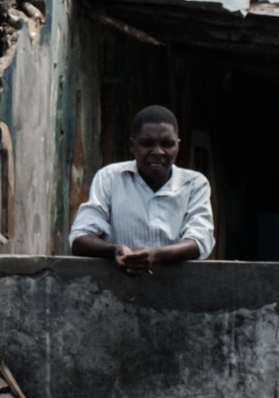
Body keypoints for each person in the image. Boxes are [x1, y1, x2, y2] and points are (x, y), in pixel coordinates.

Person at [68, 105, 214, 275]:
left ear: (178, 146)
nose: (158, 152)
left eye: (167, 144)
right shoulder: (109, 177)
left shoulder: (195, 184)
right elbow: (79, 238)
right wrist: (113, 250)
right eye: (147, 143)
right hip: (116, 292)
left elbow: (200, 241)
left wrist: (157, 255)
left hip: (178, 293)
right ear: (132, 145)